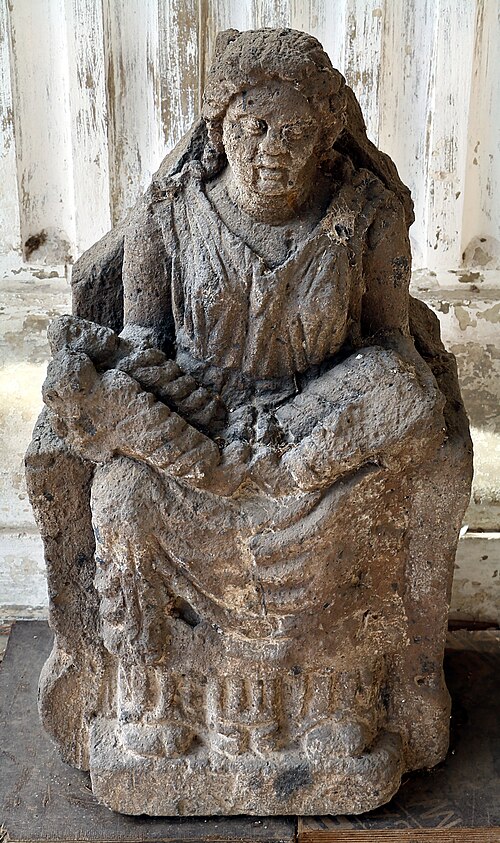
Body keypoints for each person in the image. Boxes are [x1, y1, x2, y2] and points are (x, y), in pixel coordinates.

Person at [31, 29, 472, 811]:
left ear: (328, 135)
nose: (273, 150)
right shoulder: (167, 217)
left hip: (315, 432)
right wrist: (133, 402)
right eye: (253, 127)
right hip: (202, 427)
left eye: (296, 131)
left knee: (392, 430)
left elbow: (391, 355)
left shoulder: (365, 218)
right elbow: (145, 347)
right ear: (219, 126)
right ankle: (155, 699)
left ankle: (335, 697)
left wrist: (312, 433)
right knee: (123, 494)